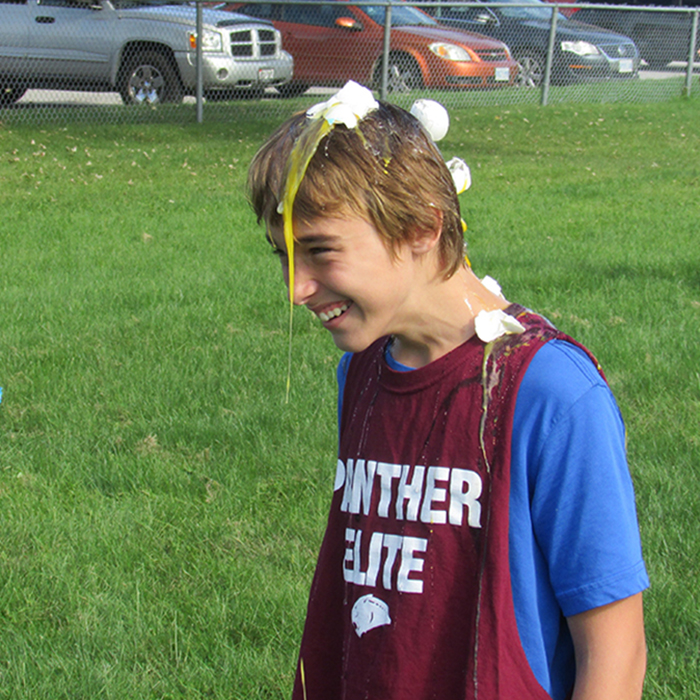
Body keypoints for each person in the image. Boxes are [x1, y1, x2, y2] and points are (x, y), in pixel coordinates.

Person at [247, 82, 649, 700]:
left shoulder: (550, 393)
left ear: (421, 229)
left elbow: (615, 652)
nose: (297, 288)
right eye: (283, 257)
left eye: (321, 252)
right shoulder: (361, 372)